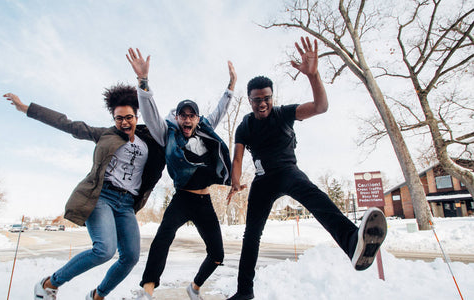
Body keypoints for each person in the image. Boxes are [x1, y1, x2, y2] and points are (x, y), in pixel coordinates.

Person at [226, 37, 387, 300]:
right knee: (251, 235)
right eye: (257, 100)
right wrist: (235, 181)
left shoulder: (284, 113)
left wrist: (313, 76)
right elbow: (237, 158)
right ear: (249, 100)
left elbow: (321, 107)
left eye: (266, 98)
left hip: (288, 172)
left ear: (272, 97)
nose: (262, 104)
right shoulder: (245, 125)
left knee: (315, 197)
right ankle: (244, 292)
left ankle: (352, 242)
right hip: (263, 180)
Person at [2, 84, 165, 300]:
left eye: (128, 117)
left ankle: (97, 296)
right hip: (101, 198)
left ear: (136, 116)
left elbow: (167, 131)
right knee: (104, 250)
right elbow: (68, 125)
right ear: (114, 119)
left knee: (131, 257)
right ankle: (48, 284)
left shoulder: (149, 140)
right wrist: (27, 109)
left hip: (126, 204)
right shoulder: (106, 134)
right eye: (119, 118)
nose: (124, 122)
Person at [126, 48, 236, 300]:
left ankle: (194, 287)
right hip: (182, 198)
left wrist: (231, 86)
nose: (187, 120)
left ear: (197, 119)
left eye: (191, 116)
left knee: (217, 254)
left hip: (204, 201)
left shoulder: (205, 131)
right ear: (177, 118)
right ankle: (148, 290)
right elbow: (151, 112)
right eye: (183, 116)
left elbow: (220, 110)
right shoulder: (168, 134)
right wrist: (143, 83)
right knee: (162, 239)